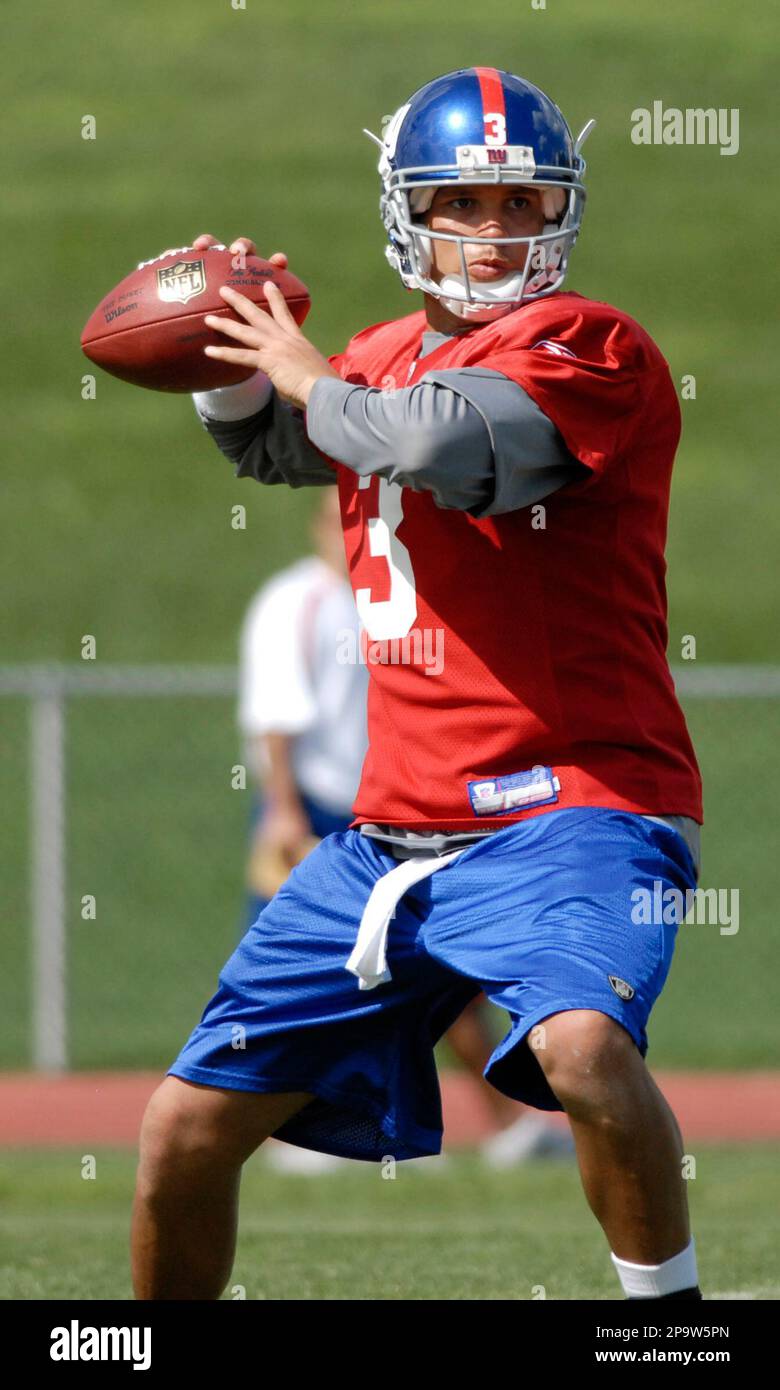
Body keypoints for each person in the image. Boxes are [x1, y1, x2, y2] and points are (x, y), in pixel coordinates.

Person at [132, 68, 704, 1301]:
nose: (494, 232)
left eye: (520, 202)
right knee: (181, 1131)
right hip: (387, 834)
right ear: (410, 214)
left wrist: (305, 372)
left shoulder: (588, 342)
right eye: (464, 202)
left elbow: (426, 440)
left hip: (574, 808)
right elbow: (276, 436)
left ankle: (672, 1330)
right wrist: (231, 334)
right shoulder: (378, 356)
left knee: (586, 1050)